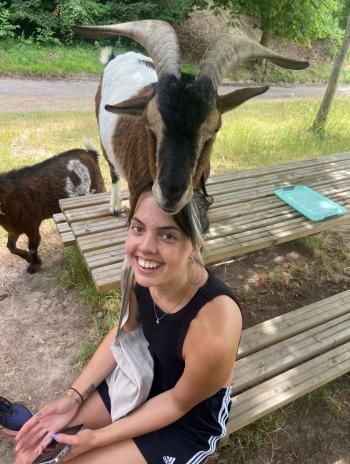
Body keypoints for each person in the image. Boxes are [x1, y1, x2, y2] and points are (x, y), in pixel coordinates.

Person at [14, 182, 242, 464]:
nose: (145, 248)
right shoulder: (142, 274)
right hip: (145, 374)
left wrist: (96, 439)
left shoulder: (213, 330)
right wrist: (73, 398)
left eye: (167, 236)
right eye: (138, 228)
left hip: (188, 418)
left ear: (193, 244)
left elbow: (177, 403)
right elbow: (122, 333)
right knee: (31, 454)